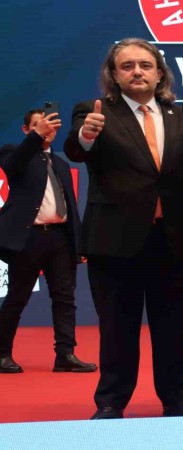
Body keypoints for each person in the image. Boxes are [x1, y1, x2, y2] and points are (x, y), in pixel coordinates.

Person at [63, 38, 183, 419]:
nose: (137, 72)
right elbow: (76, 150)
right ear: (113, 75)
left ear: (159, 74)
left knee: (173, 328)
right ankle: (111, 402)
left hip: (173, 239)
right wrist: (87, 135)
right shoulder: (95, 112)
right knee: (117, 329)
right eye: (127, 66)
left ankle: (177, 399)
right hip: (115, 241)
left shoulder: (181, 115)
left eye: (145, 65)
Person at [0, 109, 96, 374]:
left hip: (60, 238)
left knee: (65, 298)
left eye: (50, 125)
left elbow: (71, 206)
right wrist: (35, 137)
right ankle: (2, 353)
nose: (46, 129)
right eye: (38, 125)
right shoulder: (14, 153)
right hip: (28, 238)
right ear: (26, 130)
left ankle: (65, 354)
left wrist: (79, 243)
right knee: (17, 297)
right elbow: (13, 165)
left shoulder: (61, 164)